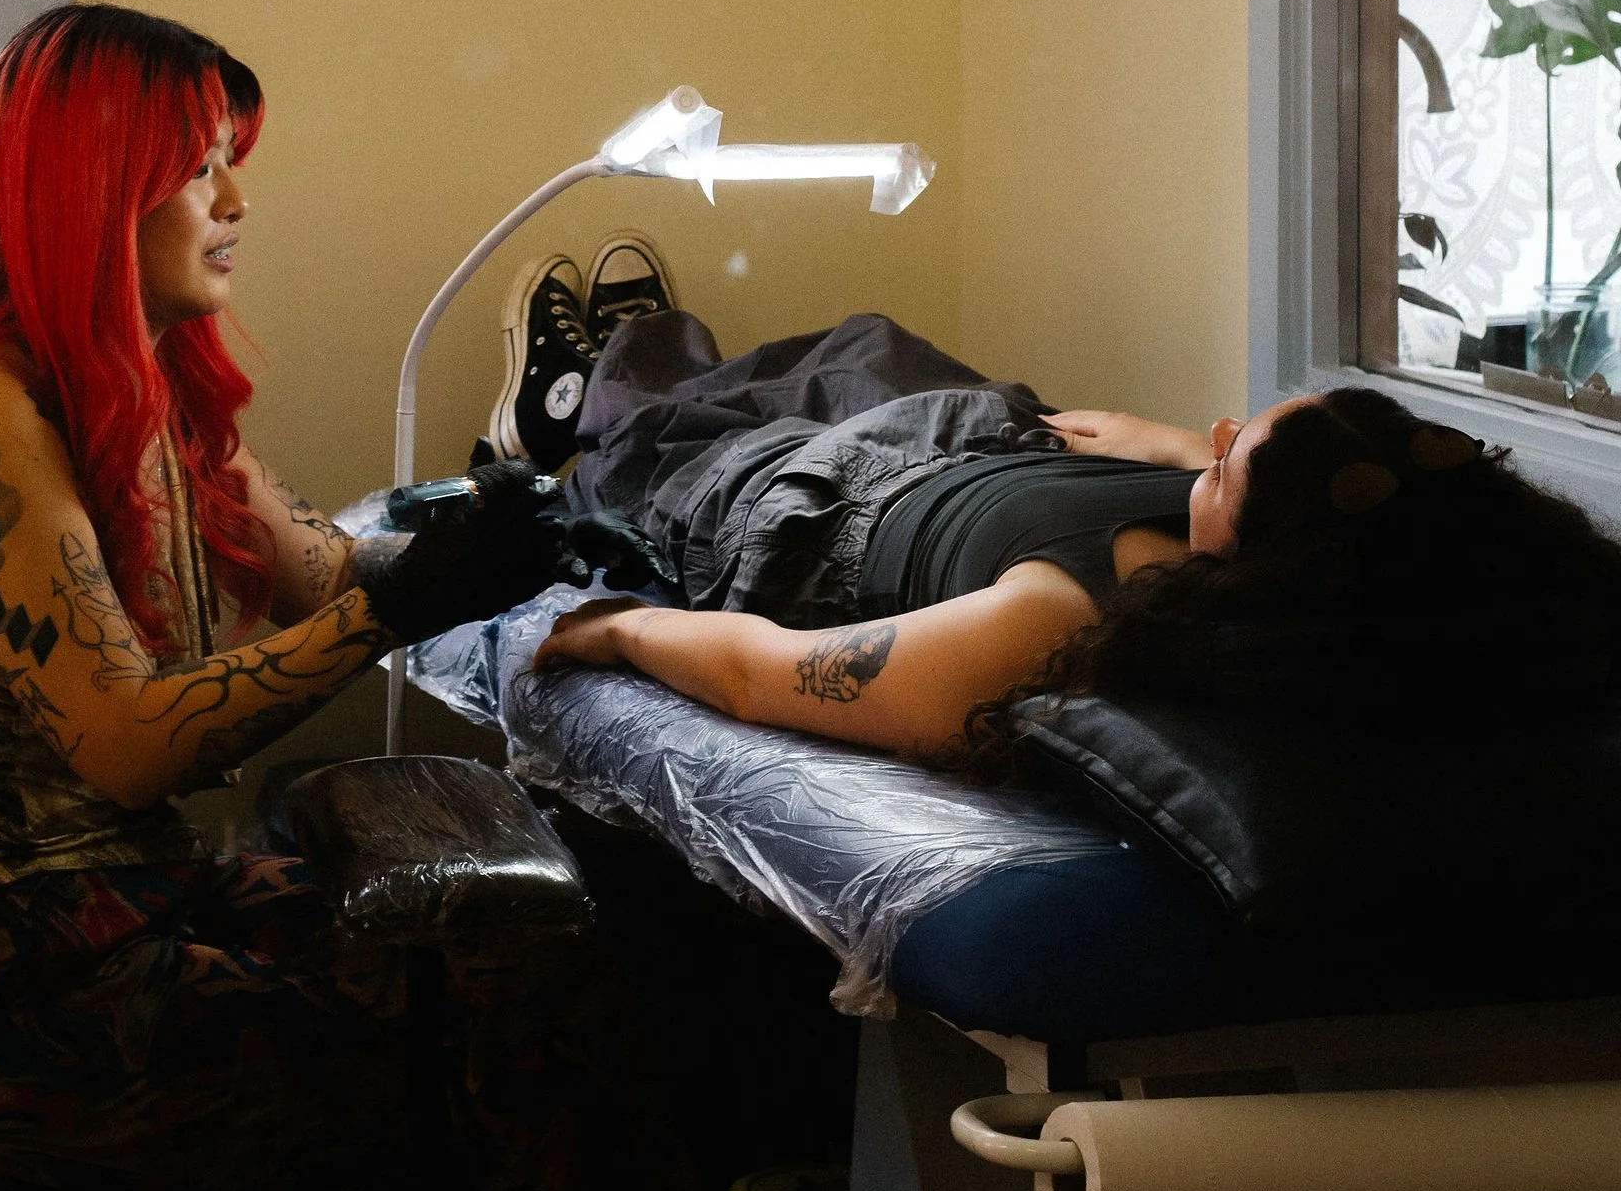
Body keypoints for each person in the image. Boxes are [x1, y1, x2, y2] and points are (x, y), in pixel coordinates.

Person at [0, 2, 566, 1191]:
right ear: (94, 195)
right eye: (201, 169)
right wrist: (409, 598)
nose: (237, 200)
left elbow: (332, 571)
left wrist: (526, 538)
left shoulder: (147, 394)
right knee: (464, 1062)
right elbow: (130, 745)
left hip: (125, 907)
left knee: (525, 974)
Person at [536, 357, 1621, 763]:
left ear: (1269, 562)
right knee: (858, 342)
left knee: (651, 428)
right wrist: (1174, 449)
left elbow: (756, 674)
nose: (1212, 437)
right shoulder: (1316, 544)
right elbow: (1240, 468)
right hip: (989, 431)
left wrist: (623, 628)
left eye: (1228, 462)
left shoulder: (1050, 629)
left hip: (819, 501)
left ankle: (587, 382)